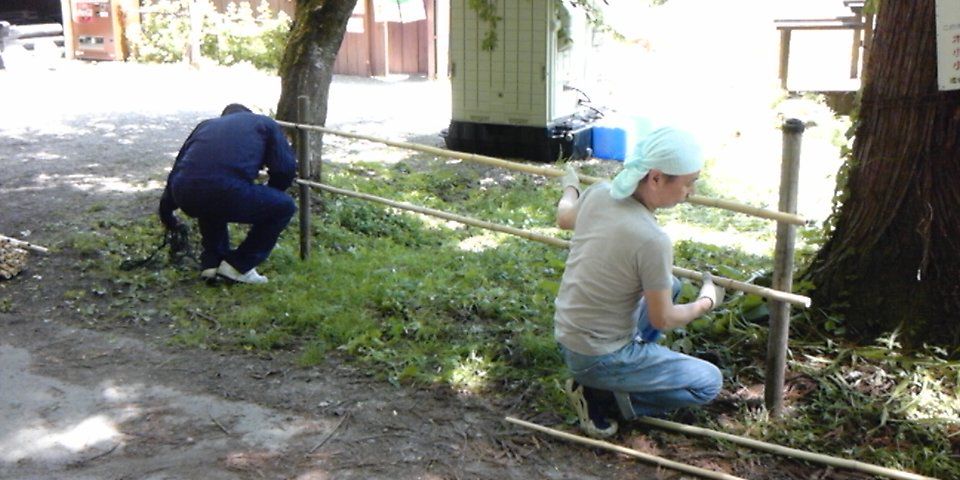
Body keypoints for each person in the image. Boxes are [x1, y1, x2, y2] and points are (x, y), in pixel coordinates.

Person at [553, 126, 725, 438]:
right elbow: (664, 318)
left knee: (668, 285)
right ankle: (604, 398)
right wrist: (706, 302)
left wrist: (571, 186)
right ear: (656, 178)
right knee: (709, 383)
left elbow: (565, 217)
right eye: (689, 183)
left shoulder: (601, 193)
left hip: (568, 335)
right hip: (597, 355)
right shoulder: (652, 239)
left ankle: (608, 378)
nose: (692, 193)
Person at [158, 103, 297, 284]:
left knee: (211, 198)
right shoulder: (263, 123)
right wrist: (272, 193)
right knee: (284, 207)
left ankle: (212, 262)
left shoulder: (206, 125)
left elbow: (178, 170)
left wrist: (166, 212)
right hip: (226, 190)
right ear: (248, 114)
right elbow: (285, 168)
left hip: (184, 193)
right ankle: (239, 266)